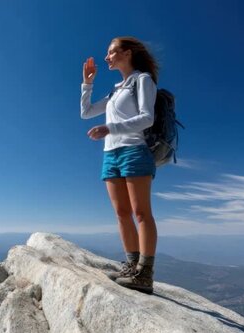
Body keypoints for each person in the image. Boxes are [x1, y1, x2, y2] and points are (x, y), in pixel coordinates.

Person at [80, 36, 159, 294]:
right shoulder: (115, 89)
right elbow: (87, 112)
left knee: (140, 212)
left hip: (134, 150)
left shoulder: (142, 80)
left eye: (111, 52)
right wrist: (87, 83)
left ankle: (145, 273)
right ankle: (131, 265)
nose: (107, 57)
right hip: (110, 153)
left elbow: (147, 118)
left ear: (127, 53)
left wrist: (110, 127)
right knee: (121, 213)